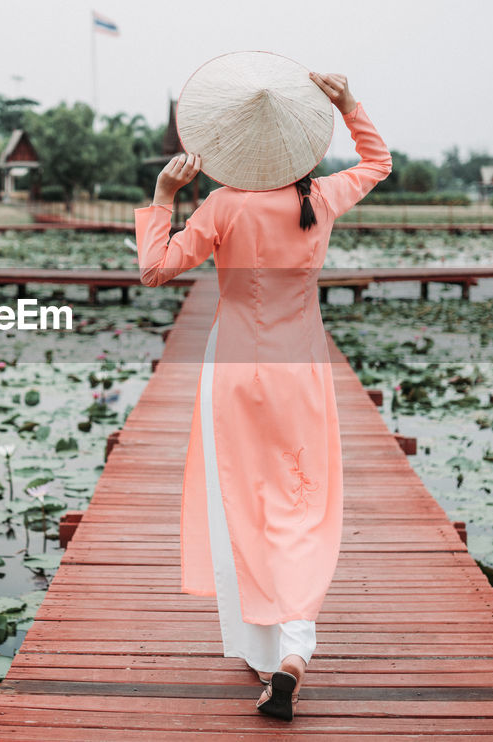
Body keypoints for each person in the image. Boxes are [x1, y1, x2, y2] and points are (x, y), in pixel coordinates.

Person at [133, 52, 392, 721]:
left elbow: (156, 269)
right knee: (304, 507)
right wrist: (350, 106)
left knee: (245, 505)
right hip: (301, 370)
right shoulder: (321, 197)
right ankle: (295, 649)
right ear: (302, 145)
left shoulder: (222, 206)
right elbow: (378, 165)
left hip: (234, 373)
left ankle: (261, 646)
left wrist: (163, 198)